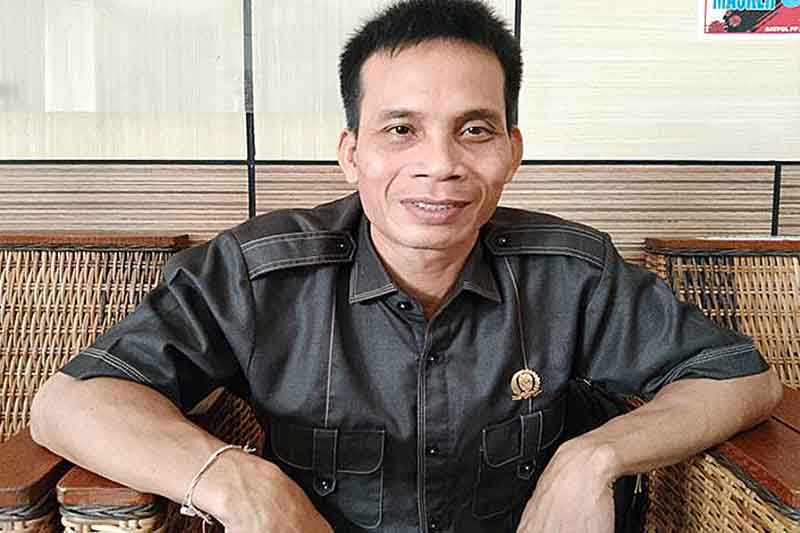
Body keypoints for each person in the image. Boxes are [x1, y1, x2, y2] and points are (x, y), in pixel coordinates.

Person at [31, 1, 783, 532]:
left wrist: (594, 457)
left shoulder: (571, 270)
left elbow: (742, 377)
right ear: (351, 152)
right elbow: (70, 403)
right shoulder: (260, 272)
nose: (440, 164)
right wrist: (233, 478)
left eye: (474, 130)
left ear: (512, 152)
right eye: (401, 129)